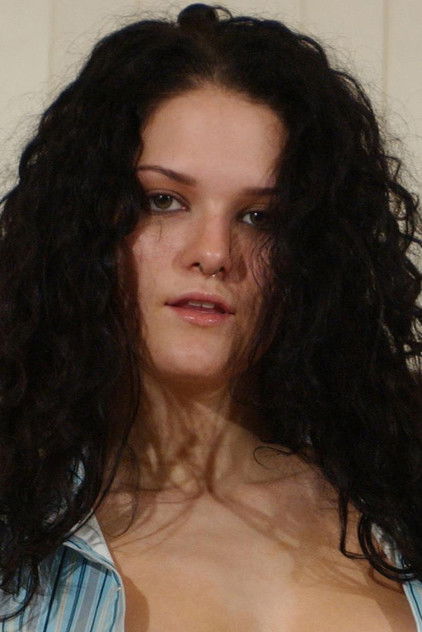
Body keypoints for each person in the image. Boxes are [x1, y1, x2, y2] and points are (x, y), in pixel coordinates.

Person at [0, 3, 421, 630]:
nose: (214, 253)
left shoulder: (400, 501)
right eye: (164, 201)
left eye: (260, 217)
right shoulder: (18, 515)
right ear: (82, 221)